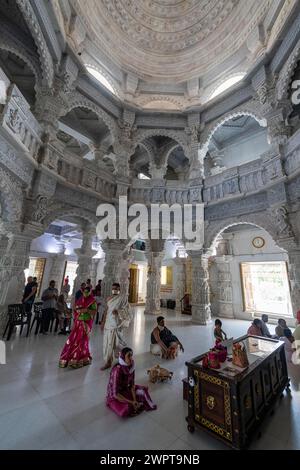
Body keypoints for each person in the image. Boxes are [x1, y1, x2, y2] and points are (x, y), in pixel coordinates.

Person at [106, 347, 157, 417]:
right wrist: (132, 402)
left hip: (126, 390)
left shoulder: (131, 366)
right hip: (116, 396)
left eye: (131, 355)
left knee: (142, 392)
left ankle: (136, 404)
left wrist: (134, 400)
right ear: (123, 357)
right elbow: (115, 394)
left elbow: (132, 385)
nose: (131, 358)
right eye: (128, 356)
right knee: (126, 409)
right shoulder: (117, 370)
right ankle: (132, 405)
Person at [59, 286, 97, 368]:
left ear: (90, 292)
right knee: (73, 339)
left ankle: (81, 358)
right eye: (84, 291)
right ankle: (69, 358)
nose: (85, 293)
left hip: (86, 322)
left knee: (83, 340)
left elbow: (94, 312)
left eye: (87, 291)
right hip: (78, 322)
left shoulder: (92, 301)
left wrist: (86, 310)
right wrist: (76, 311)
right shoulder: (80, 299)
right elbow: (75, 308)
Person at [100, 282, 132, 370]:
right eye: (113, 288)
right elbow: (106, 311)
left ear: (119, 290)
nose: (115, 290)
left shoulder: (122, 298)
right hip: (108, 324)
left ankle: (122, 360)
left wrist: (118, 312)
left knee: (117, 344)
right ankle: (108, 362)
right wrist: (102, 322)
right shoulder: (109, 299)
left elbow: (128, 310)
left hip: (116, 324)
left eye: (117, 289)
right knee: (108, 344)